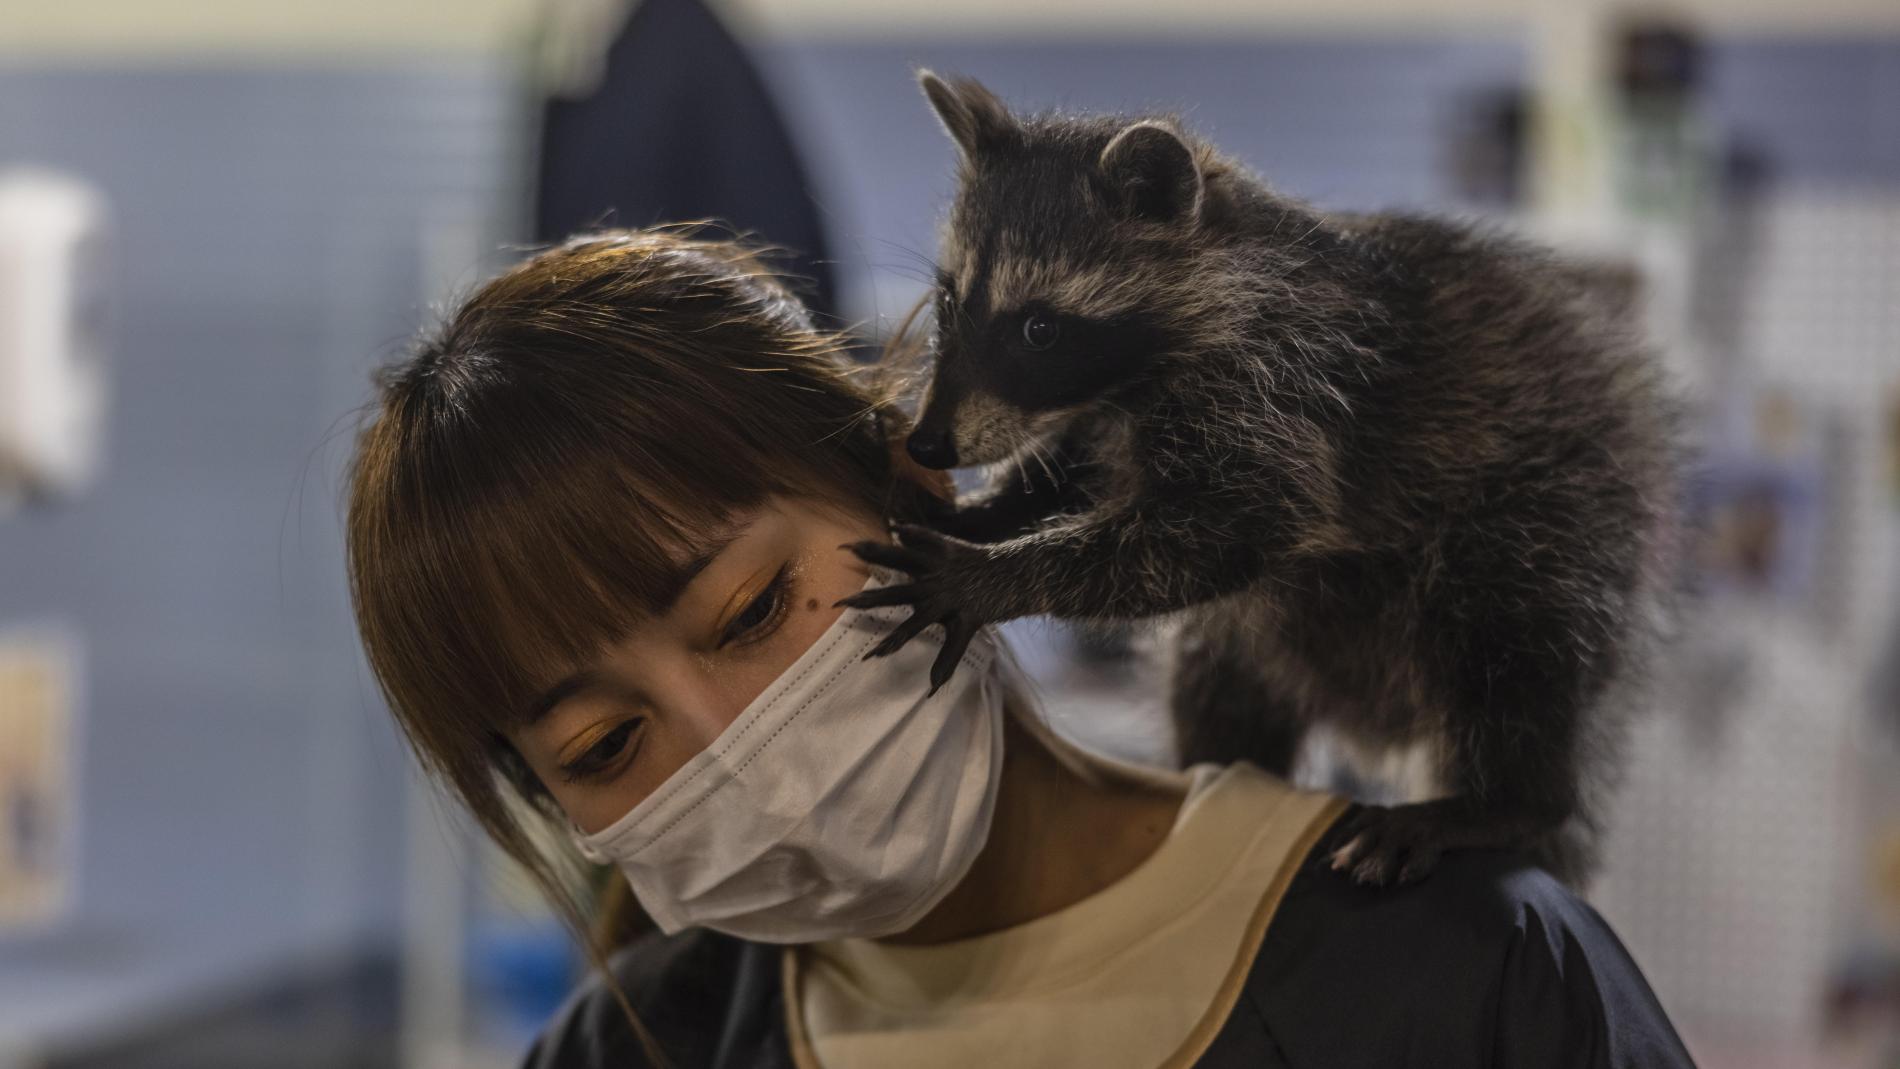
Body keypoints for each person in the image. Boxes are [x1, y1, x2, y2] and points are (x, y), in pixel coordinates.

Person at [343, 227, 1698, 1068]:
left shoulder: (1463, 980)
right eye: (603, 743)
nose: (735, 751)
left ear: (916, 485)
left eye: (755, 611)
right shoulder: (633, 1048)